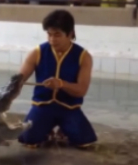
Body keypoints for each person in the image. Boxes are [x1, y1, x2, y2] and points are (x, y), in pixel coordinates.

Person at [17, 10, 97, 149]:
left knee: (86, 142)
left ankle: (63, 130)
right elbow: (19, 79)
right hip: (43, 107)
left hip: (69, 108)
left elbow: (81, 90)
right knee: (28, 140)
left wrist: (61, 84)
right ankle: (47, 130)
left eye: (57, 35)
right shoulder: (37, 52)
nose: (52, 39)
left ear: (70, 34)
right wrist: (14, 85)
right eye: (49, 34)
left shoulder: (84, 57)